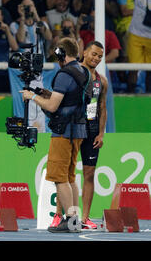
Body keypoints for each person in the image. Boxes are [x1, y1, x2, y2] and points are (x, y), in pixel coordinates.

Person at [20, 37, 90, 233]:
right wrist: (47, 93)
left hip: (64, 132)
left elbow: (52, 106)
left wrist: (32, 96)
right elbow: (71, 98)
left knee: (59, 178)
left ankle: (70, 220)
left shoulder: (64, 74)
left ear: (61, 54)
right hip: (78, 130)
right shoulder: (83, 71)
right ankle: (75, 217)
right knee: (70, 177)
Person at [50, 41, 108, 230]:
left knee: (85, 174)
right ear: (84, 52)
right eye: (93, 54)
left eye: (100, 56)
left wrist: (101, 132)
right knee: (66, 175)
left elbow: (101, 107)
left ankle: (84, 217)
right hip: (74, 127)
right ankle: (60, 215)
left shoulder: (101, 80)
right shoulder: (76, 73)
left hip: (90, 131)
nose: (96, 58)